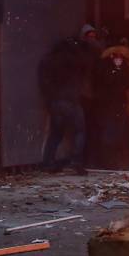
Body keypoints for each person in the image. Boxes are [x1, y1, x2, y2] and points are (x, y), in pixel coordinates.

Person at [38, 36, 93, 171]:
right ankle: (76, 161)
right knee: (80, 131)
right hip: (71, 100)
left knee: (56, 133)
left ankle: (48, 162)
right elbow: (85, 68)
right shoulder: (75, 60)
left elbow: (44, 83)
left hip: (55, 101)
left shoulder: (48, 60)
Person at [93, 43, 129, 168]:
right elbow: (105, 82)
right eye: (117, 56)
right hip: (107, 104)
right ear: (111, 56)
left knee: (119, 133)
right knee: (108, 133)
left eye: (121, 56)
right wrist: (115, 71)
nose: (119, 58)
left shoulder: (124, 68)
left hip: (120, 104)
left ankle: (116, 160)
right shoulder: (104, 67)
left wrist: (120, 71)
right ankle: (107, 161)